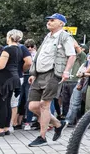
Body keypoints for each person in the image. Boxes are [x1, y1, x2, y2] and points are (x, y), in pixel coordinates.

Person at [27, 14, 76, 146]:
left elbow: (72, 55)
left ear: (61, 23)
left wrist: (66, 71)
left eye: (52, 20)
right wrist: (33, 73)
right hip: (39, 75)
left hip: (53, 74)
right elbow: (40, 55)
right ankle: (58, 124)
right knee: (32, 106)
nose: (49, 22)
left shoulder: (65, 36)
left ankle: (42, 137)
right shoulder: (47, 36)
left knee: (45, 105)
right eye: (48, 20)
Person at [0, 31, 31, 137]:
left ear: (9, 36)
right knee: (7, 103)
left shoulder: (7, 49)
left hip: (4, 79)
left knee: (2, 104)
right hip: (13, 78)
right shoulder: (19, 49)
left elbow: (0, 66)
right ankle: (6, 128)